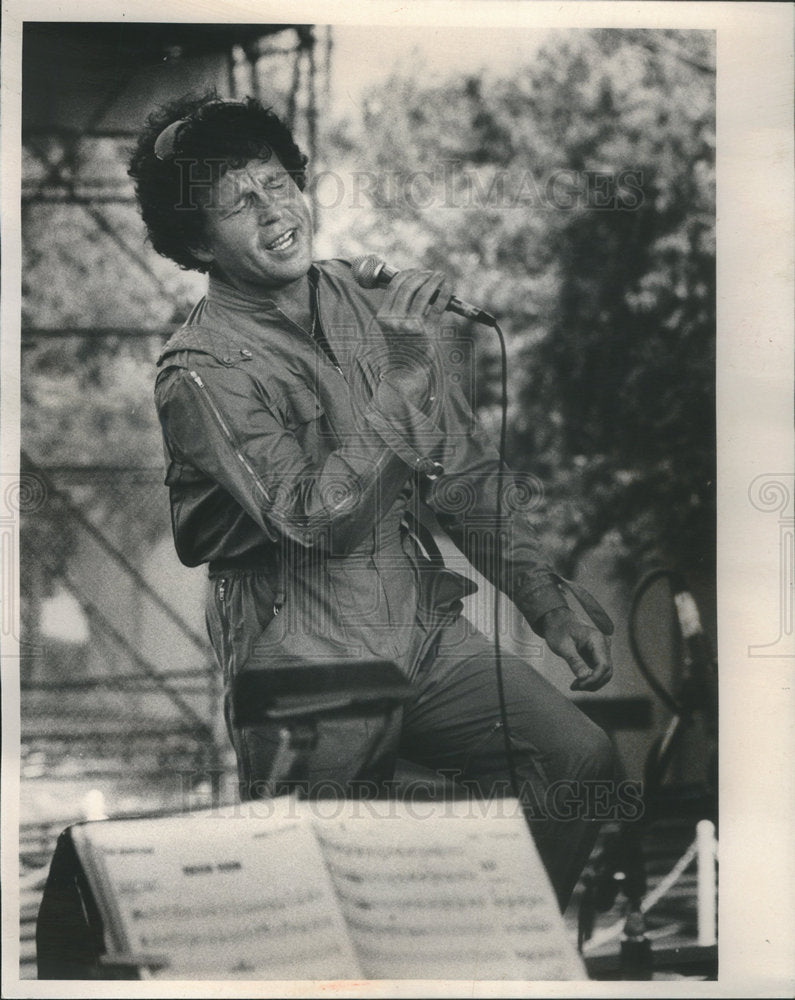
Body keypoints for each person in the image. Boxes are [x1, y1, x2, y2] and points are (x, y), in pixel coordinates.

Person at [130, 93, 619, 910]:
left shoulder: (367, 303)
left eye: (275, 182)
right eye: (235, 202)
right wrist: (403, 378)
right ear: (195, 241)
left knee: (574, 760)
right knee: (318, 879)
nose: (272, 209)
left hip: (419, 623)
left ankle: (490, 956)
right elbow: (310, 519)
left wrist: (545, 601)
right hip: (303, 652)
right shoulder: (200, 369)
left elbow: (456, 466)